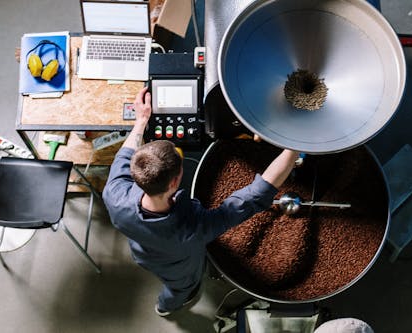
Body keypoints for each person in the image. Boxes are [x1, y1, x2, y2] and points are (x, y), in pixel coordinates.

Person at [102, 86, 299, 317]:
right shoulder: (194, 229)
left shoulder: (114, 195)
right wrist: (295, 147)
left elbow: (125, 155)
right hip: (178, 267)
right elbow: (254, 196)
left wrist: (142, 119)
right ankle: (166, 307)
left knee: (162, 270)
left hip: (143, 252)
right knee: (181, 287)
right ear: (175, 182)